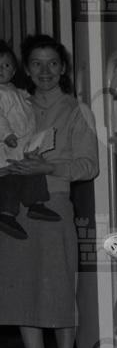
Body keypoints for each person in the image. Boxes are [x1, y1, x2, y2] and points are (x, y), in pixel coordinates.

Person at [0, 34, 99, 348]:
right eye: (37, 64)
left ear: (63, 68)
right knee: (21, 285)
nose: (45, 71)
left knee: (58, 286)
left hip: (53, 204)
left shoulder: (76, 110)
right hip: (13, 206)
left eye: (52, 63)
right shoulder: (12, 103)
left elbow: (89, 166)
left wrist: (48, 167)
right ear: (25, 69)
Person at [0, 40, 60, 239]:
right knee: (10, 182)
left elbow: (25, 103)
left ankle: (36, 205)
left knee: (34, 174)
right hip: (7, 147)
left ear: (14, 70)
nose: (1, 69)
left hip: (22, 146)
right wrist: (6, 134)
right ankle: (6, 215)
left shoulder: (15, 91)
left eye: (6, 65)